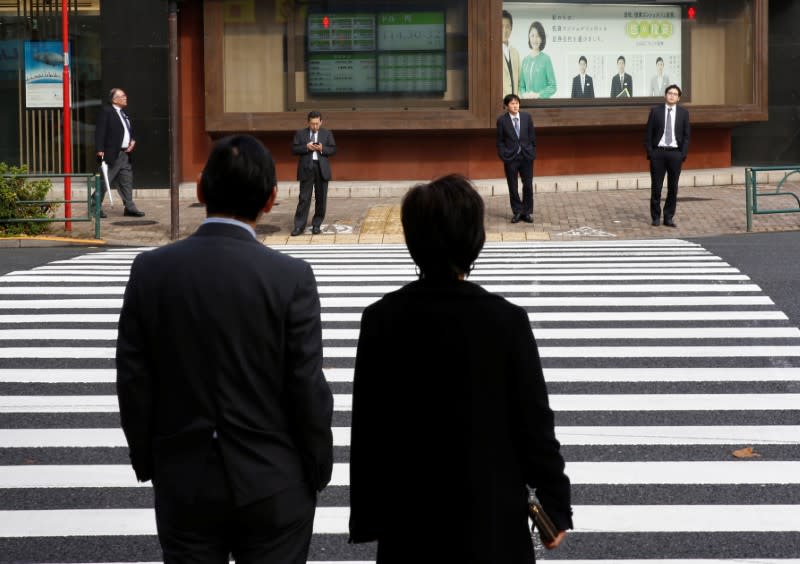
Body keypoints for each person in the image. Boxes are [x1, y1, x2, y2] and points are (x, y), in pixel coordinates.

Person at [116, 134, 334, 563]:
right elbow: (306, 386)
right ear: (271, 198)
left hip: (185, 476)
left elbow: (134, 380)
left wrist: (152, 462)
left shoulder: (152, 271)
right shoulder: (289, 277)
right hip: (273, 479)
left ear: (200, 190)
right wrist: (315, 469)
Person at [348, 174, 573, 563]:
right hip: (492, 518)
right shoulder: (506, 321)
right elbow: (534, 423)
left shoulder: (381, 319)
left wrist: (368, 517)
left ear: (412, 240)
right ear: (475, 240)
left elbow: (369, 428)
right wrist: (554, 502)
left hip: (410, 522)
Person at [92, 87, 144, 218]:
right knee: (105, 181)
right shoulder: (107, 111)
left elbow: (127, 131)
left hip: (125, 154)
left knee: (126, 181)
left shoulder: (123, 113)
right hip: (111, 154)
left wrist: (132, 141)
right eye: (123, 96)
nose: (126, 97)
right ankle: (94, 207)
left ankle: (130, 207)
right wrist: (99, 149)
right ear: (114, 99)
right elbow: (100, 131)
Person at [644, 84, 690, 227]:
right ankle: (656, 217)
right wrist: (651, 152)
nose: (672, 96)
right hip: (658, 153)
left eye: (675, 94)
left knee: (673, 187)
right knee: (656, 187)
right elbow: (648, 133)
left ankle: (668, 217)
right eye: (669, 93)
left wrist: (682, 154)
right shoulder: (655, 111)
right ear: (665, 95)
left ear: (678, 98)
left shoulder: (683, 113)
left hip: (675, 154)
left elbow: (686, 135)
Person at [291, 110, 336, 236]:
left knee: (321, 198)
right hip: (306, 168)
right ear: (308, 122)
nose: (314, 126)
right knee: (304, 198)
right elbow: (294, 149)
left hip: (321, 168)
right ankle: (299, 226)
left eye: (317, 123)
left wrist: (322, 148)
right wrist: (306, 147)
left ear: (321, 122)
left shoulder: (327, 134)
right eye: (312, 124)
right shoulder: (300, 134)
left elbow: (333, 149)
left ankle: (316, 224)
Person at [496, 93, 536, 224]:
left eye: (517, 103)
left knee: (528, 186)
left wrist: (532, 151)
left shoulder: (527, 117)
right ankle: (518, 211)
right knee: (513, 186)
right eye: (512, 103)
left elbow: (532, 137)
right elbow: (500, 141)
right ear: (506, 106)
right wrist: (503, 155)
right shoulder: (502, 121)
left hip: (526, 157)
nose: (515, 106)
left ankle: (527, 212)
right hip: (511, 158)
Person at [519, 21, 556, 100]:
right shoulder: (525, 60)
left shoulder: (546, 59)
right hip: (528, 105)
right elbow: (521, 86)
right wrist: (524, 94)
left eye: (538, 36)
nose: (535, 39)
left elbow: (553, 86)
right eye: (532, 35)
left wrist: (538, 95)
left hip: (543, 106)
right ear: (529, 37)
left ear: (542, 39)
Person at [502, 10, 521, 97]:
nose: (504, 30)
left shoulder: (515, 53)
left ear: (511, 29)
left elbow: (519, 80)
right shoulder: (492, 53)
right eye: (501, 26)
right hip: (499, 104)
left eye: (507, 27)